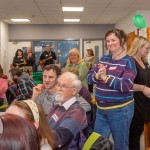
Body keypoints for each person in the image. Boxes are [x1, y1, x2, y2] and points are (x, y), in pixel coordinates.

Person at [88, 29, 137, 150]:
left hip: (121, 111)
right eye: (108, 41)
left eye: (113, 40)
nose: (110, 43)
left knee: (120, 146)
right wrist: (98, 75)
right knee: (96, 146)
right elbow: (89, 78)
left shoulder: (129, 62)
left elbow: (125, 86)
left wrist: (105, 77)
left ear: (122, 41)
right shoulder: (104, 59)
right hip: (101, 110)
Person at [48, 72, 87, 150]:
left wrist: (39, 128)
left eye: (64, 86)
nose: (58, 89)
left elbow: (58, 139)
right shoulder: (58, 106)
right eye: (58, 85)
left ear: (74, 91)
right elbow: (47, 125)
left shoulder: (76, 112)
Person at [127, 36, 150, 150]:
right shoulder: (130, 62)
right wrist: (142, 88)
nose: (148, 51)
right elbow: (125, 85)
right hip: (133, 105)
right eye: (146, 48)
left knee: (138, 132)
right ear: (139, 47)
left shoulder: (144, 62)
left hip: (143, 105)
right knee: (133, 136)